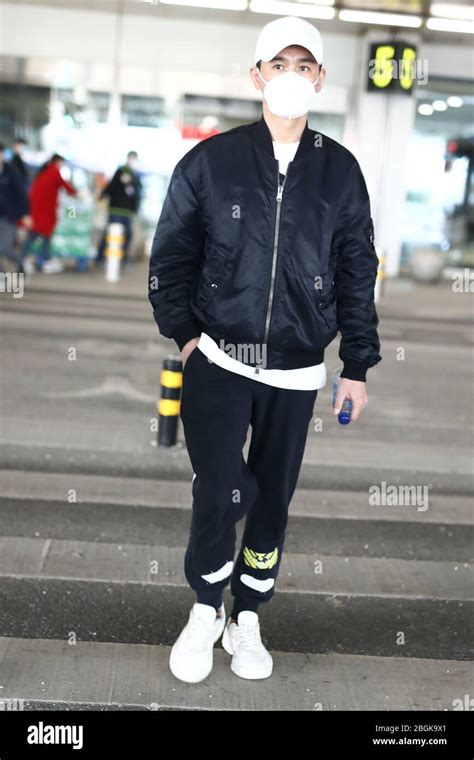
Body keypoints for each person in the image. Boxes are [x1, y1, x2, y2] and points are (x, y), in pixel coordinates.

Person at [148, 16, 381, 684]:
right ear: (256, 76)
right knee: (222, 488)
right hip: (218, 360)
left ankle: (246, 616)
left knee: (272, 497)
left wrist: (356, 364)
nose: (291, 76)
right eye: (278, 64)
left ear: (320, 80)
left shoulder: (339, 173)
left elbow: (357, 271)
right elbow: (172, 255)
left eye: (304, 65)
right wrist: (187, 337)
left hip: (298, 368)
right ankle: (203, 607)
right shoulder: (212, 163)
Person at [20, 153, 77, 273]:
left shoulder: (45, 171)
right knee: (36, 236)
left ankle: (39, 259)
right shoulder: (53, 172)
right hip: (43, 212)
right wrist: (76, 193)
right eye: (61, 163)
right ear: (57, 162)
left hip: (39, 210)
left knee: (41, 237)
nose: (61, 166)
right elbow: (66, 186)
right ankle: (31, 260)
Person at [96, 151, 142, 265]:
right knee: (110, 234)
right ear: (128, 159)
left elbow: (136, 194)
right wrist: (102, 196)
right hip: (116, 209)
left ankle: (122, 258)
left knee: (127, 235)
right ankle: (100, 257)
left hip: (127, 211)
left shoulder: (135, 175)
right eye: (132, 158)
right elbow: (111, 186)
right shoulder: (120, 171)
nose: (133, 161)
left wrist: (135, 208)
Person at [0, 143, 31, 272]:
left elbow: (21, 193)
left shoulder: (11, 171)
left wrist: (26, 214)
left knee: (4, 248)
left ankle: (20, 261)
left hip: (9, 216)